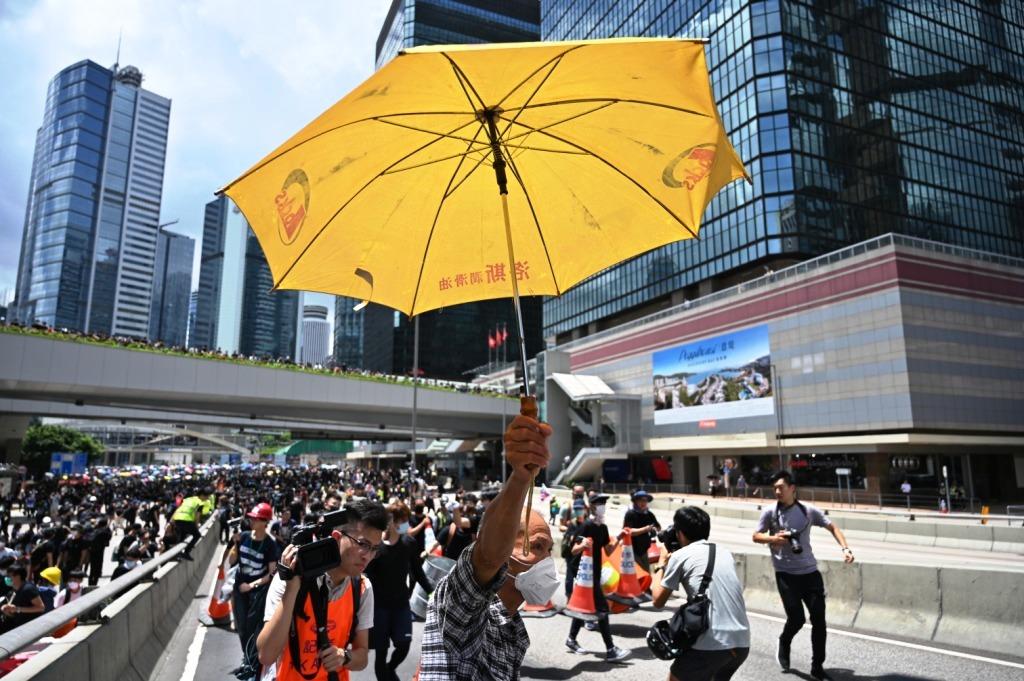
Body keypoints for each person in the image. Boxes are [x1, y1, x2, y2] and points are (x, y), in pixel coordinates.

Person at [417, 413, 558, 680]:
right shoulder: (461, 608)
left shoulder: (514, 630)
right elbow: (488, 557)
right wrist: (519, 479)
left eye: (550, 550)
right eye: (538, 546)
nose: (547, 561)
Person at [258, 498, 383, 680]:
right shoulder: (290, 579)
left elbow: (362, 656)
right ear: (336, 538)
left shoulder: (362, 588)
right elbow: (266, 655)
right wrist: (292, 588)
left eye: (375, 549)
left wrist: (344, 656)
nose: (368, 556)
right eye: (363, 545)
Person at [753, 471, 855, 681]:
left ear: (792, 488)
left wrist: (845, 548)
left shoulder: (808, 511)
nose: (777, 491)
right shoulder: (770, 512)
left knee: (819, 621)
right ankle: (784, 641)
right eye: (775, 488)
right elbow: (756, 535)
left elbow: (832, 527)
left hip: (810, 574)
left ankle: (817, 667)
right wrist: (773, 539)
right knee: (797, 619)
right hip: (786, 576)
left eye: (781, 487)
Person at [651, 507, 750, 681]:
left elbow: (657, 600)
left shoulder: (679, 556)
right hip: (741, 642)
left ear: (679, 533)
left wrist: (661, 563)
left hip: (711, 643)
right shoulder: (725, 553)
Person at [364, 502, 431, 681]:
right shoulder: (377, 547)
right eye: (403, 520)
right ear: (392, 520)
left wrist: (431, 593)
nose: (406, 524)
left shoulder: (408, 543)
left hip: (401, 605)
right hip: (379, 608)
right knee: (380, 652)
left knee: (404, 644)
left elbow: (418, 571)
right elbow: (365, 576)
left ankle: (390, 668)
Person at [564, 497, 630, 662]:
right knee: (602, 610)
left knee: (584, 608)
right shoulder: (586, 526)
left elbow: (607, 550)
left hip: (594, 574)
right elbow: (573, 550)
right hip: (583, 574)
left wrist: (620, 538)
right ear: (593, 507)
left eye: (604, 505)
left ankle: (571, 639)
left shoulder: (603, 528)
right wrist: (583, 544)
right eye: (600, 505)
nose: (603, 508)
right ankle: (610, 649)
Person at [230, 502, 280, 681]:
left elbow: (271, 573)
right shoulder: (243, 536)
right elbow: (232, 561)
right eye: (251, 518)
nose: (251, 521)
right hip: (240, 588)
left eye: (256, 518)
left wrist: (252, 586)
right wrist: (234, 544)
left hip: (256, 592)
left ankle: (252, 664)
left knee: (253, 629)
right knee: (242, 628)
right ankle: (247, 659)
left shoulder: (269, 544)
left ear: (264, 521)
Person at [0, 563, 45, 633]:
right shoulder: (13, 591)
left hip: (29, 629)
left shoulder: (28, 589)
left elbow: (41, 607)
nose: (7, 578)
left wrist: (17, 609)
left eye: (9, 575)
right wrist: (7, 611)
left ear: (18, 576)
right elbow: (15, 615)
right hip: (18, 627)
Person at [623, 489, 660, 573]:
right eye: (641, 500)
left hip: (644, 550)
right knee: (638, 574)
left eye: (645, 500)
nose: (643, 502)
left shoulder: (649, 514)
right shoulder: (630, 514)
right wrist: (645, 529)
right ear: (636, 501)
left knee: (646, 574)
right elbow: (629, 532)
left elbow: (658, 527)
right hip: (632, 550)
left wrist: (654, 528)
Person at [171, 488, 211, 561]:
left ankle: (177, 554)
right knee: (197, 535)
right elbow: (197, 516)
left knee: (182, 535)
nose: (207, 498)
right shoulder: (200, 502)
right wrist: (196, 527)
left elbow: (178, 508)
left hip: (177, 519)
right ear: (202, 495)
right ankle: (186, 553)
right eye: (207, 496)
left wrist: (171, 520)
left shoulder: (188, 499)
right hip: (186, 519)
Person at [87, 518, 112, 586]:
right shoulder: (104, 531)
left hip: (92, 550)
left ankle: (91, 582)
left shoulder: (95, 530)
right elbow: (109, 536)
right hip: (99, 550)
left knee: (93, 568)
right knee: (97, 566)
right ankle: (94, 582)